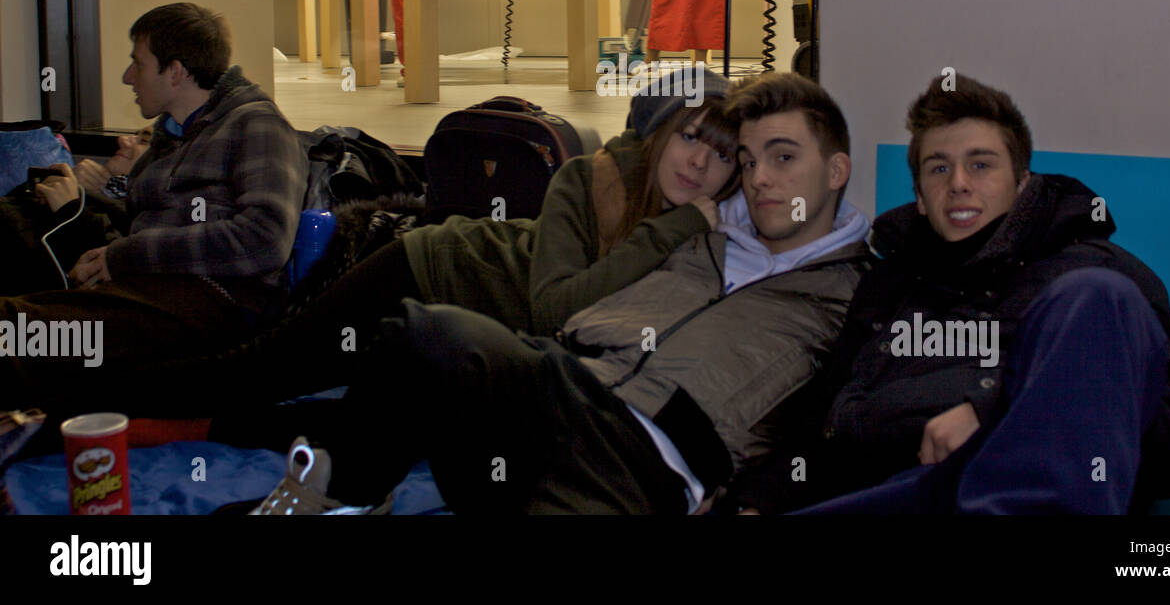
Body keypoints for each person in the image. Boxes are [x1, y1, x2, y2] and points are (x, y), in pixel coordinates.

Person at [240, 72, 871, 515]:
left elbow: (849, 425)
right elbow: (576, 286)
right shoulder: (700, 231)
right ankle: (341, 494)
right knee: (425, 333)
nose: (759, 177)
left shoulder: (853, 293)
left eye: (782, 157)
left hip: (642, 459)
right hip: (552, 384)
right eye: (752, 159)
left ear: (836, 171)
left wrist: (757, 494)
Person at [49, 67, 740, 420]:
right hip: (426, 267)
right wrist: (674, 231)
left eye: (718, 152)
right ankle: (64, 402)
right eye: (687, 136)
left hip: (458, 323)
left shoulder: (700, 217)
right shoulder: (590, 182)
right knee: (250, 376)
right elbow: (555, 305)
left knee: (303, 403)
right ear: (656, 134)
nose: (698, 163)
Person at [723, 72, 1170, 515]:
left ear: (1022, 183)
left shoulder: (1095, 274)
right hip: (886, 495)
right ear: (919, 196)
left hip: (1002, 487)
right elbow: (817, 428)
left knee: (1096, 294)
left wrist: (994, 409)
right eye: (939, 169)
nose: (959, 184)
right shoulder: (886, 283)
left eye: (981, 165)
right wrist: (757, 501)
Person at [1, 3, 308, 408]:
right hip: (149, 290)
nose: (129, 77)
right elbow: (142, 230)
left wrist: (127, 255)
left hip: (215, 301)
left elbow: (264, 240)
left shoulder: (257, 125)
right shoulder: (169, 139)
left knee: (18, 334)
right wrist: (95, 202)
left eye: (138, 64)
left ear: (176, 71)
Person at [0, 127, 152, 295]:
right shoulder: (95, 189)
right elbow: (14, 206)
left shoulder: (145, 217)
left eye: (143, 140)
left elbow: (97, 273)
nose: (123, 139)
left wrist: (71, 208)